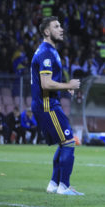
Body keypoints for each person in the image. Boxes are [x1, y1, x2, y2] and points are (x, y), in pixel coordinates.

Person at [30, 17, 83, 195]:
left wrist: (64, 88)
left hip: (48, 104)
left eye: (60, 26)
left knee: (63, 142)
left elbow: (49, 81)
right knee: (69, 142)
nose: (61, 29)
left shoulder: (50, 51)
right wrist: (69, 84)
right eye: (56, 26)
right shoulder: (46, 52)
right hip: (47, 105)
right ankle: (64, 186)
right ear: (47, 32)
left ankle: (54, 184)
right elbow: (46, 83)